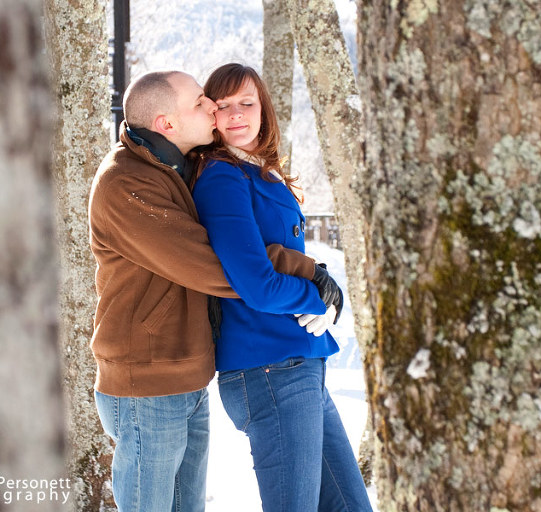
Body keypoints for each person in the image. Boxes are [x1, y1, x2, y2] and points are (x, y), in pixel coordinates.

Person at [88, 70, 339, 512]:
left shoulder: (174, 170)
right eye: (203, 103)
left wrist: (306, 272)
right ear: (167, 123)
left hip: (186, 376)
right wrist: (307, 274)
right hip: (144, 384)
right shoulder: (125, 183)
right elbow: (216, 265)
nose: (215, 111)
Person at [192, 63, 373, 512]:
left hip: (300, 363)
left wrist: (327, 290)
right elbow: (256, 284)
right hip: (269, 369)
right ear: (209, 117)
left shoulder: (261, 172)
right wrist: (316, 297)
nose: (236, 115)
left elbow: (283, 256)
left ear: (264, 109)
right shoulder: (222, 176)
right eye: (223, 106)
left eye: (246, 103)